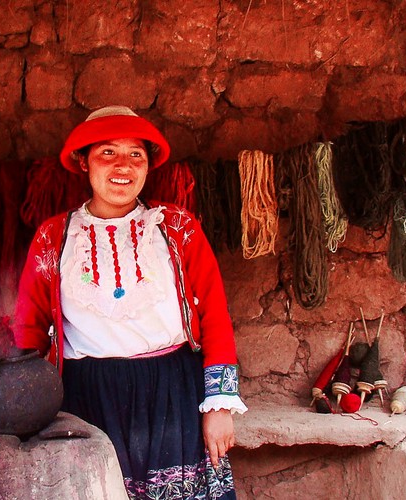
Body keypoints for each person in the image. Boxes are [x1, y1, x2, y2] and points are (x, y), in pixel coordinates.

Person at [13, 105, 247, 499]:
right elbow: (28, 327)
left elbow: (214, 315)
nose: (123, 165)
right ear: (84, 162)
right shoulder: (54, 237)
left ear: (147, 166)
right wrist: (24, 406)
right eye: (107, 152)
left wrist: (219, 405)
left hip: (172, 395)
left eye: (135, 154)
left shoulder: (177, 228)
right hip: (85, 399)